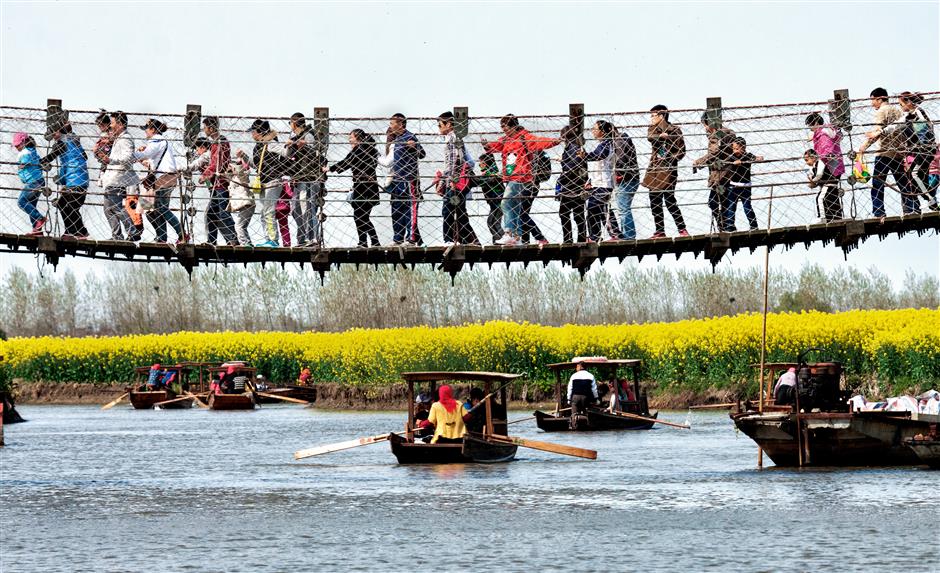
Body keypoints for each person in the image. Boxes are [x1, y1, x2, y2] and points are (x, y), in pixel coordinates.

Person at [483, 114, 560, 246]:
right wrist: (487, 146)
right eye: (502, 127)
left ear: (513, 126)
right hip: (510, 177)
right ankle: (515, 237)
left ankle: (509, 233)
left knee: (506, 203)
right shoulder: (506, 140)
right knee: (515, 208)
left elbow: (539, 142)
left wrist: (555, 141)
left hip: (521, 177)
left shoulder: (525, 137)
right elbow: (496, 146)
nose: (503, 130)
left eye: (505, 127)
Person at [857, 88, 917, 216]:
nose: (872, 103)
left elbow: (877, 132)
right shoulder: (898, 110)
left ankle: (879, 212)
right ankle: (910, 209)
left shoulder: (881, 111)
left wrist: (863, 148)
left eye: (872, 100)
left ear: (879, 99)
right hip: (898, 153)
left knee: (877, 185)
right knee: (903, 183)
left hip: (883, 153)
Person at [327, 128, 381, 247]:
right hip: (367, 187)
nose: (349, 140)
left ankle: (368, 241)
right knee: (362, 216)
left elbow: (347, 162)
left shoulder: (359, 150)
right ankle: (371, 241)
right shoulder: (368, 149)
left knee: (359, 216)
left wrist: (330, 169)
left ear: (358, 138)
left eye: (351, 138)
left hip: (364, 187)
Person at [237, 119, 287, 247]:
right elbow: (256, 165)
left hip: (273, 181)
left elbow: (285, 152)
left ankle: (273, 240)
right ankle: (268, 238)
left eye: (253, 132)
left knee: (269, 211)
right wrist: (244, 156)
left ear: (260, 132)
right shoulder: (258, 146)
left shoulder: (270, 143)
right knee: (265, 212)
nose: (252, 134)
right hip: (264, 182)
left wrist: (290, 145)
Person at [643, 105, 689, 238]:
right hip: (655, 170)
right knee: (654, 201)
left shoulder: (675, 130)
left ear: (661, 116)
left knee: (669, 200)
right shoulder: (653, 129)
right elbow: (651, 137)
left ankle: (682, 229)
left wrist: (670, 153)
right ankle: (660, 230)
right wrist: (661, 136)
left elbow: (681, 151)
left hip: (669, 169)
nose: (651, 118)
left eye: (653, 115)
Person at [380, 113, 425, 245]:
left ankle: (411, 239)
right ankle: (398, 239)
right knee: (396, 209)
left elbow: (422, 154)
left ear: (400, 124)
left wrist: (415, 146)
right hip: (397, 180)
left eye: (392, 123)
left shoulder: (410, 137)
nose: (390, 126)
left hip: (409, 179)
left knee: (410, 209)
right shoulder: (397, 140)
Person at [41, 116, 90, 239]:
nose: (53, 135)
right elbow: (84, 157)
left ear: (60, 132)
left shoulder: (61, 143)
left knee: (67, 205)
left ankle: (73, 232)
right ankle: (80, 232)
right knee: (68, 205)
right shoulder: (75, 141)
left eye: (54, 132)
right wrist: (63, 180)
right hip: (82, 179)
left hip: (74, 180)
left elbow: (49, 158)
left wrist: (36, 163)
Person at [283, 112, 328, 247]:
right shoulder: (295, 136)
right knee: (296, 209)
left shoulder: (309, 135)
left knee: (308, 207)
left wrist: (301, 144)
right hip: (298, 177)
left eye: (291, 123)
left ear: (295, 122)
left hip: (309, 176)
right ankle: (302, 238)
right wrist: (292, 145)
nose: (290, 126)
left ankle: (312, 238)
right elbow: (289, 155)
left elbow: (316, 152)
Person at [135, 119, 183, 243]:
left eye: (147, 128)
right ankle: (162, 237)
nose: (145, 131)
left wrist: (130, 155)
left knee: (160, 209)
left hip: (162, 179)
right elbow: (149, 160)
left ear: (153, 129)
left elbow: (147, 154)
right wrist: (141, 155)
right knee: (151, 210)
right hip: (157, 181)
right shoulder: (158, 142)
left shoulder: (156, 141)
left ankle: (181, 234)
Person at [97, 111, 141, 241]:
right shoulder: (120, 137)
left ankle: (132, 232)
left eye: (112, 122)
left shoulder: (126, 138)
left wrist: (110, 160)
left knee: (115, 208)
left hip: (118, 178)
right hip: (113, 179)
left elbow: (128, 157)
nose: (110, 125)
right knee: (108, 209)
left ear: (120, 124)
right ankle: (117, 235)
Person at [436, 112, 477, 245]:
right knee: (460, 211)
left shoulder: (451, 138)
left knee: (447, 210)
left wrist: (447, 182)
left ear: (448, 124)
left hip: (453, 184)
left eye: (440, 125)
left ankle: (448, 240)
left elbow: (453, 163)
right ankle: (472, 240)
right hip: (459, 183)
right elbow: (470, 162)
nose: (439, 128)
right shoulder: (457, 137)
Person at [693, 113, 737, 232]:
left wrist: (698, 162)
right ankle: (728, 226)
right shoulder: (729, 132)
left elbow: (714, 152)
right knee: (724, 201)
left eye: (705, 125)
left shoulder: (715, 134)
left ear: (710, 123)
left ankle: (724, 226)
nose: (705, 128)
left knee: (713, 202)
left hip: (720, 176)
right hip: (730, 173)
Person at [199, 117, 238, 245]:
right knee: (212, 213)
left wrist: (205, 175)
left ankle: (232, 239)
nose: (204, 130)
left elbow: (218, 164)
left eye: (205, 127)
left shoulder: (220, 142)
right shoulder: (217, 142)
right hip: (217, 184)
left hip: (221, 183)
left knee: (223, 212)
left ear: (211, 128)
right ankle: (212, 240)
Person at [898, 92, 938, 212]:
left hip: (926, 149)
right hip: (923, 150)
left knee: (914, 174)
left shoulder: (918, 112)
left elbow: (925, 125)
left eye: (901, 104)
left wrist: (916, 135)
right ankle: (932, 202)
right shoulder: (909, 115)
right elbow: (897, 125)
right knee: (919, 176)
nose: (901, 107)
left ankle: (931, 200)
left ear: (908, 103)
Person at [580, 120, 616, 242]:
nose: (592, 131)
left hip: (603, 184)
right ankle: (601, 236)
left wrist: (585, 156)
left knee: (598, 209)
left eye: (595, 129)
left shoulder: (606, 144)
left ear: (602, 131)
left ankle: (610, 235)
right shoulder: (603, 144)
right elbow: (597, 164)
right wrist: (590, 180)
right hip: (598, 183)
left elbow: (598, 156)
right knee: (599, 210)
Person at [556, 125, 587, 244]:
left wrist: (562, 161)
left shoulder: (572, 148)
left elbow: (574, 165)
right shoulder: (576, 147)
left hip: (570, 185)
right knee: (578, 214)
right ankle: (581, 238)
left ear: (564, 137)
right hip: (578, 184)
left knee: (564, 213)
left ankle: (568, 239)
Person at [724, 137, 763, 231]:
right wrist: (733, 163)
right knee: (731, 207)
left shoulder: (747, 156)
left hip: (746, 186)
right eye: (733, 148)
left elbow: (756, 158)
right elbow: (725, 163)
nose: (735, 151)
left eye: (737, 149)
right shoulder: (732, 157)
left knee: (747, 207)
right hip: (733, 186)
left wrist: (759, 158)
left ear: (743, 148)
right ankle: (730, 226)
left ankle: (754, 226)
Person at [13, 132, 46, 236]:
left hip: (33, 182)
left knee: (22, 202)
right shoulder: (32, 151)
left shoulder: (25, 152)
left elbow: (27, 159)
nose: (16, 147)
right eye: (15, 145)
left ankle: (39, 218)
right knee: (31, 205)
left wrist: (23, 164)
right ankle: (37, 229)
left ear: (23, 142)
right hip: (38, 181)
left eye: (18, 145)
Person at [611, 126, 639, 240]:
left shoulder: (619, 140)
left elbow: (621, 159)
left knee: (623, 209)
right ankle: (626, 234)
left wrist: (618, 174)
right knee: (623, 208)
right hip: (631, 177)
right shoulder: (623, 139)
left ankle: (629, 235)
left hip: (625, 178)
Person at [805, 149, 843, 222]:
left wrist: (813, 180)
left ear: (813, 157)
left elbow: (819, 174)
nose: (806, 163)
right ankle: (835, 217)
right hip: (828, 185)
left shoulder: (820, 162)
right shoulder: (813, 167)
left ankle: (822, 217)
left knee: (820, 199)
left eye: (807, 160)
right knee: (832, 200)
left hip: (828, 184)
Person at [474, 153, 505, 244]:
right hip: (493, 203)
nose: (480, 165)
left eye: (482, 163)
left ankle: (501, 240)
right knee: (492, 222)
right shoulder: (486, 174)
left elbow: (484, 180)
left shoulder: (493, 173)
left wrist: (488, 148)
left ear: (487, 163)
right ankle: (498, 241)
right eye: (479, 164)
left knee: (492, 222)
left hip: (498, 203)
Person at [567, 360, 598, 430]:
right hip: (586, 398)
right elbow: (594, 390)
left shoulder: (573, 376)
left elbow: (570, 389)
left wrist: (569, 400)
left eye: (576, 367)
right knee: (586, 412)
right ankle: (588, 424)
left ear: (579, 367)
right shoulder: (591, 376)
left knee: (574, 414)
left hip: (575, 397)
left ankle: (573, 426)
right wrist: (595, 399)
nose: (576, 368)